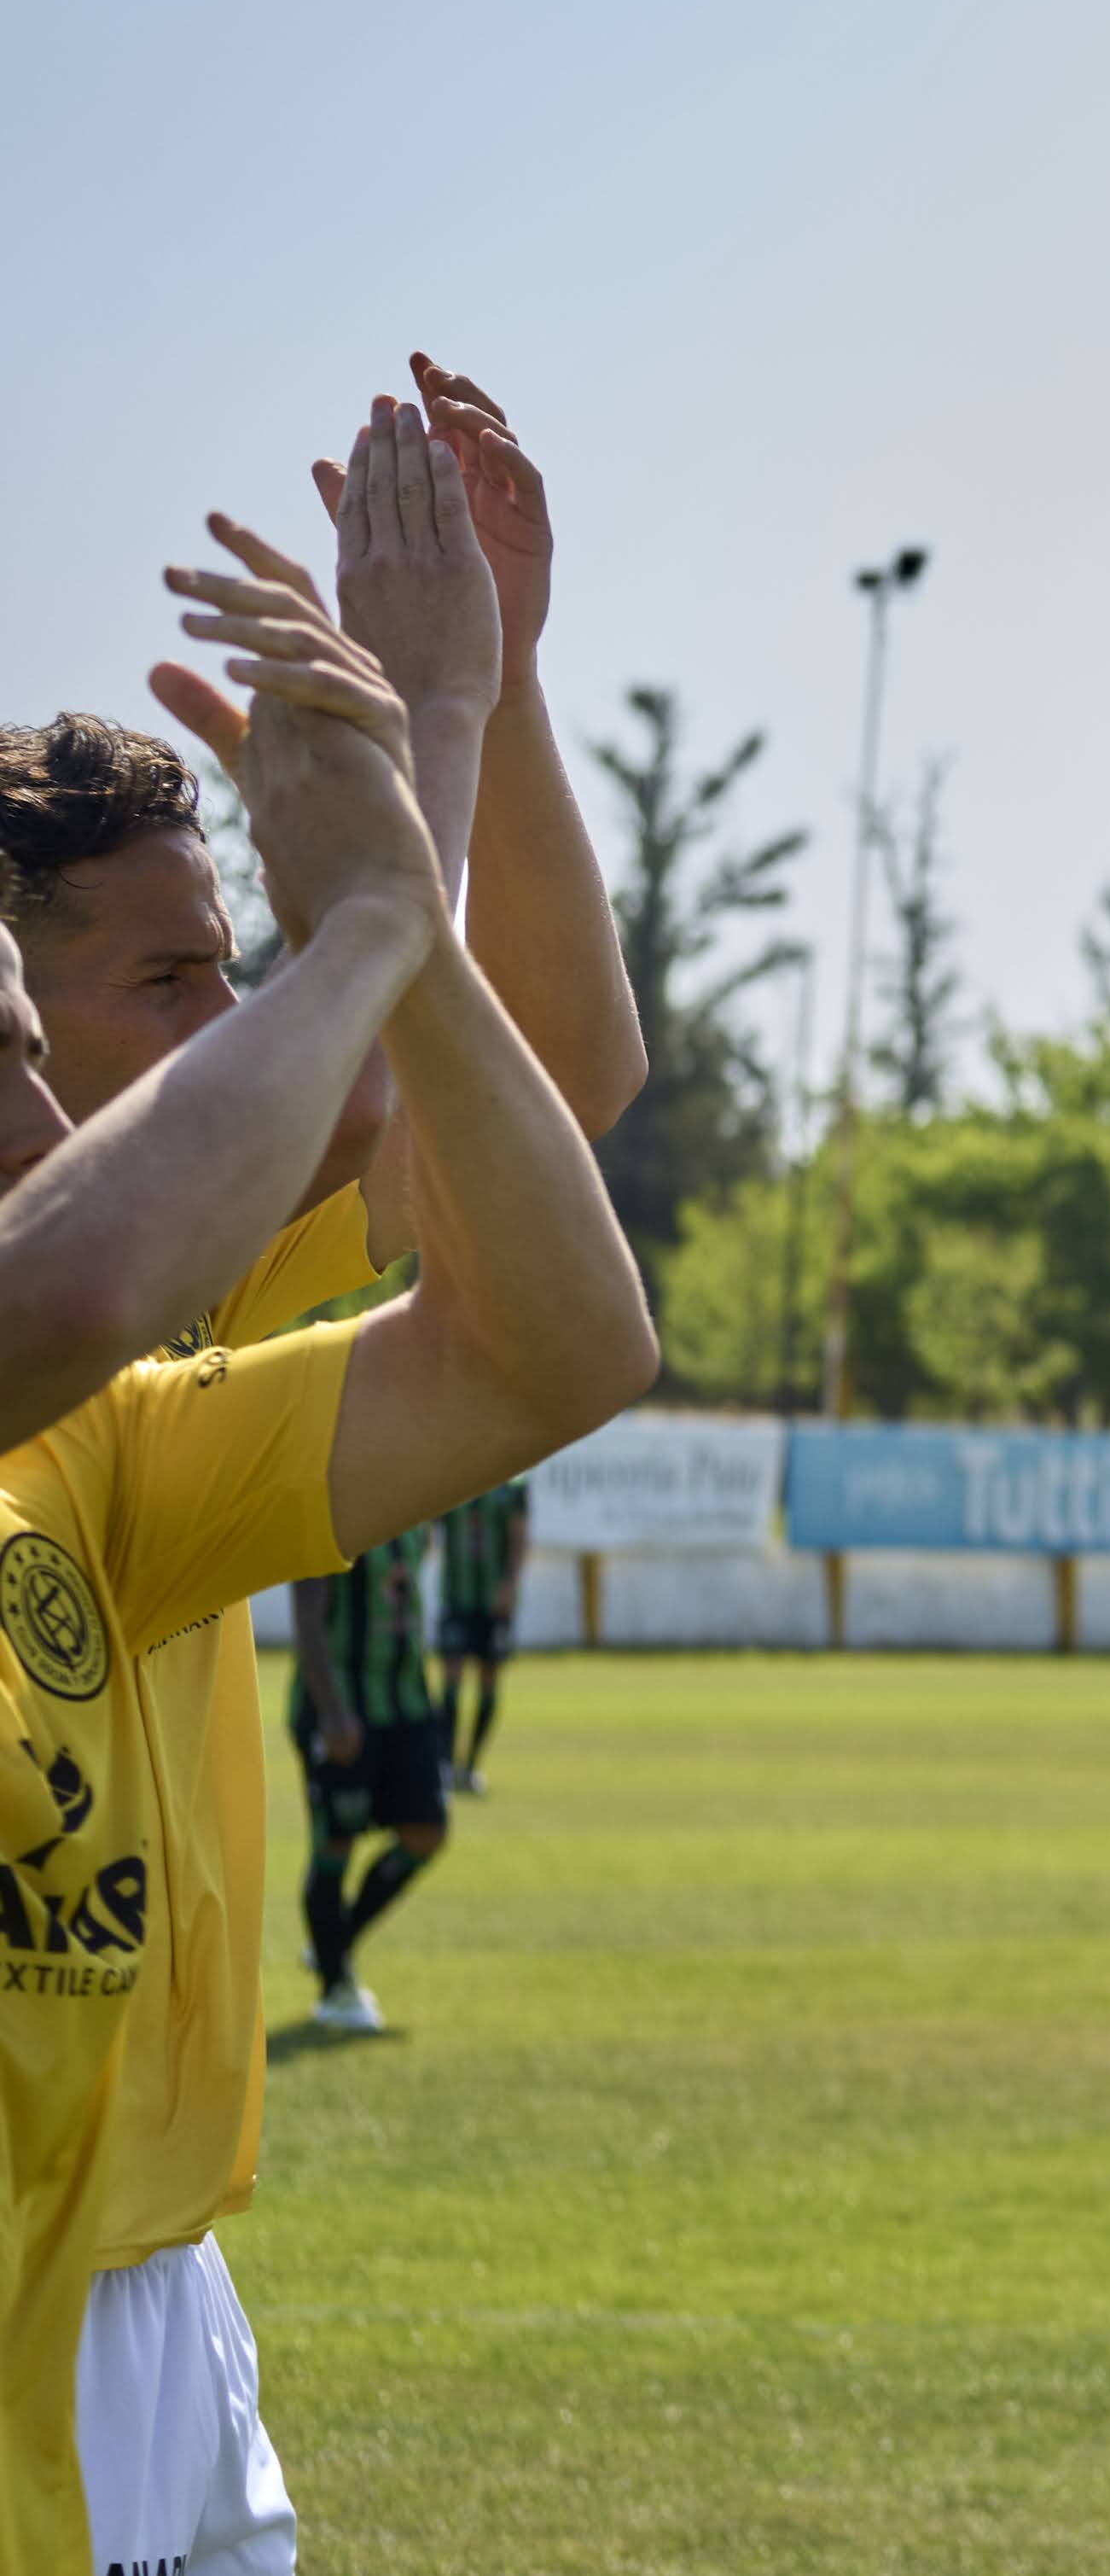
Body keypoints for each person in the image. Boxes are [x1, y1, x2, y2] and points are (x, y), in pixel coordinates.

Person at [9, 373, 643, 2576]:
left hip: (158, 2267)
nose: (225, 1024)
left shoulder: (136, 1378)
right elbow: (378, 1078)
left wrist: (491, 698)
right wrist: (417, 773)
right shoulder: (96, 1303)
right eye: (166, 977)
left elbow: (533, 1086)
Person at [288, 1523, 441, 2031]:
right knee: (335, 1843)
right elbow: (307, 1615)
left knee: (426, 1832)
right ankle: (335, 1989)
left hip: (406, 1702)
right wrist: (331, 1712)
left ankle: (335, 1943)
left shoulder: (422, 1508)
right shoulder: (339, 1507)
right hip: (344, 1708)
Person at [434, 1474, 530, 1794]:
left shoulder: (513, 1483)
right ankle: (445, 1765)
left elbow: (519, 1536)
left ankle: (471, 1765)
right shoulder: (451, 1476)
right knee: (450, 1680)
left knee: (488, 1682)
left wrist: (510, 1585)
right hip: (456, 1598)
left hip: (493, 1603)